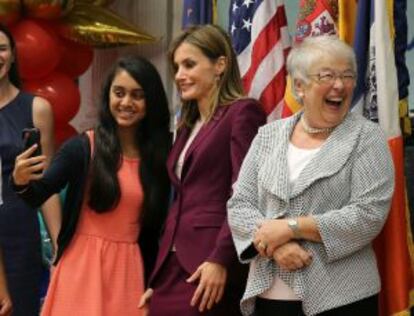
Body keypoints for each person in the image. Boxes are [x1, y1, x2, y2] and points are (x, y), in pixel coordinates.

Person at [227, 35, 395, 316]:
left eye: (347, 75)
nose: (340, 85)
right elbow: (239, 204)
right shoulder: (268, 136)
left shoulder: (367, 138)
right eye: (327, 76)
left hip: (343, 299)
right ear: (299, 87)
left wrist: (291, 227)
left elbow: (368, 215)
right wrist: (274, 246)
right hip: (269, 297)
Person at [12, 56, 171, 315]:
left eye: (137, 95)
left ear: (150, 100)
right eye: (118, 93)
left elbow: (157, 229)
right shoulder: (83, 146)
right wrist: (19, 181)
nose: (126, 103)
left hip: (129, 270)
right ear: (108, 96)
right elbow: (38, 194)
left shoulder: (159, 156)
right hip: (82, 266)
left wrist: (155, 281)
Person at [139, 24, 266, 316]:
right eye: (176, 67)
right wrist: (158, 277)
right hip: (171, 268)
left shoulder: (242, 113)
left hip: (210, 264)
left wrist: (221, 259)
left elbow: (245, 193)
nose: (179, 75)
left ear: (220, 65)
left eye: (189, 64)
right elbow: (181, 201)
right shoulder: (188, 125)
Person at [0, 23, 61, 315]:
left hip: (19, 234)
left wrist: (60, 246)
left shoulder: (37, 108)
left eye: (1, 48)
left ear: (13, 55)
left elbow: (47, 186)